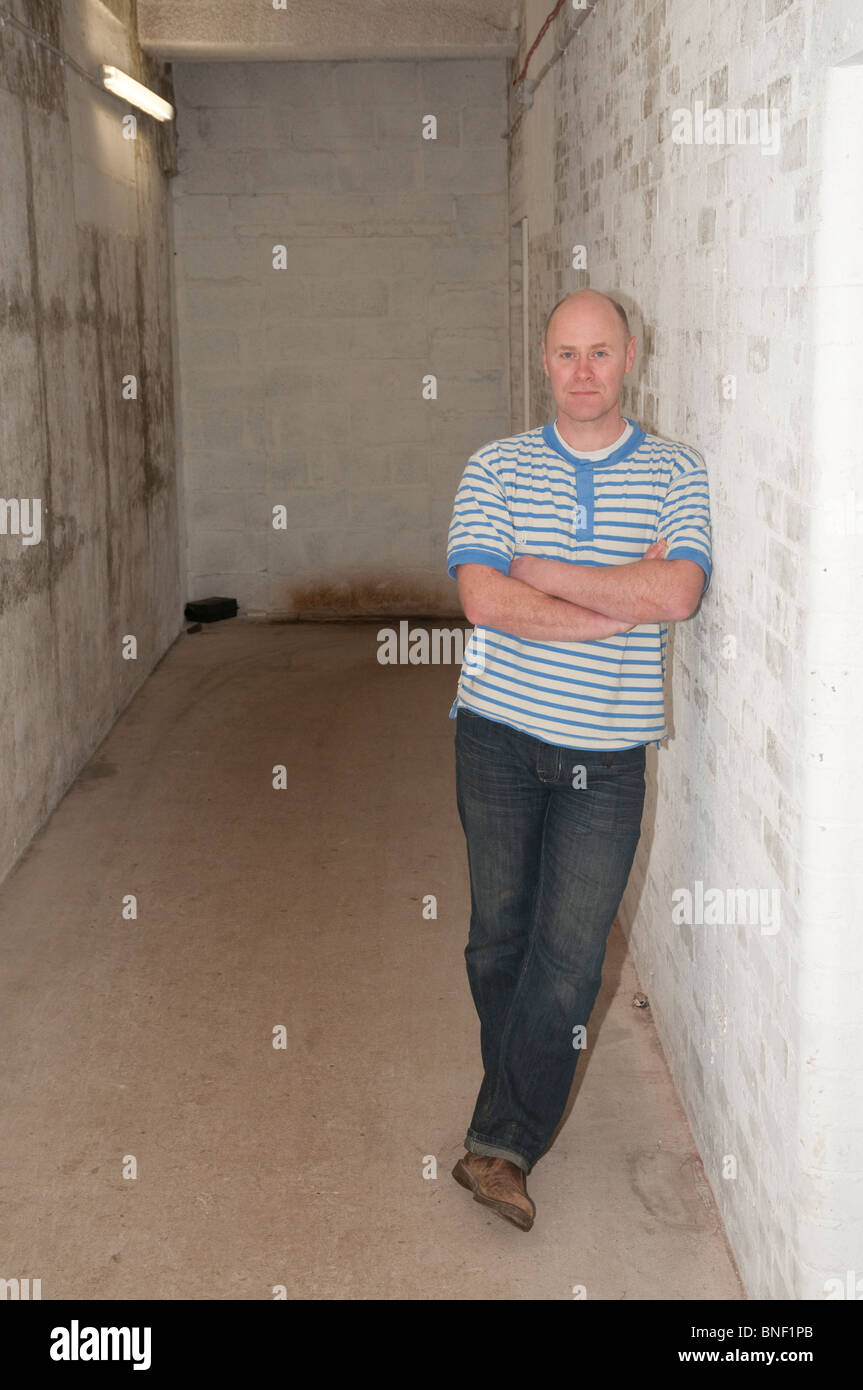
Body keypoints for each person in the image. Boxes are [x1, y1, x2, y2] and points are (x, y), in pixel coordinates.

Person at [446, 288, 712, 1231]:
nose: (584, 372)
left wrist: (544, 571)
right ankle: (514, 1086)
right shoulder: (494, 467)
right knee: (496, 940)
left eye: (601, 353)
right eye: (566, 354)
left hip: (608, 757)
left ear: (629, 356)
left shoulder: (678, 472)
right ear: (545, 361)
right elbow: (483, 600)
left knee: (567, 958)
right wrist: (615, 599)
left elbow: (676, 592)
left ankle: (501, 1143)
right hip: (496, 738)